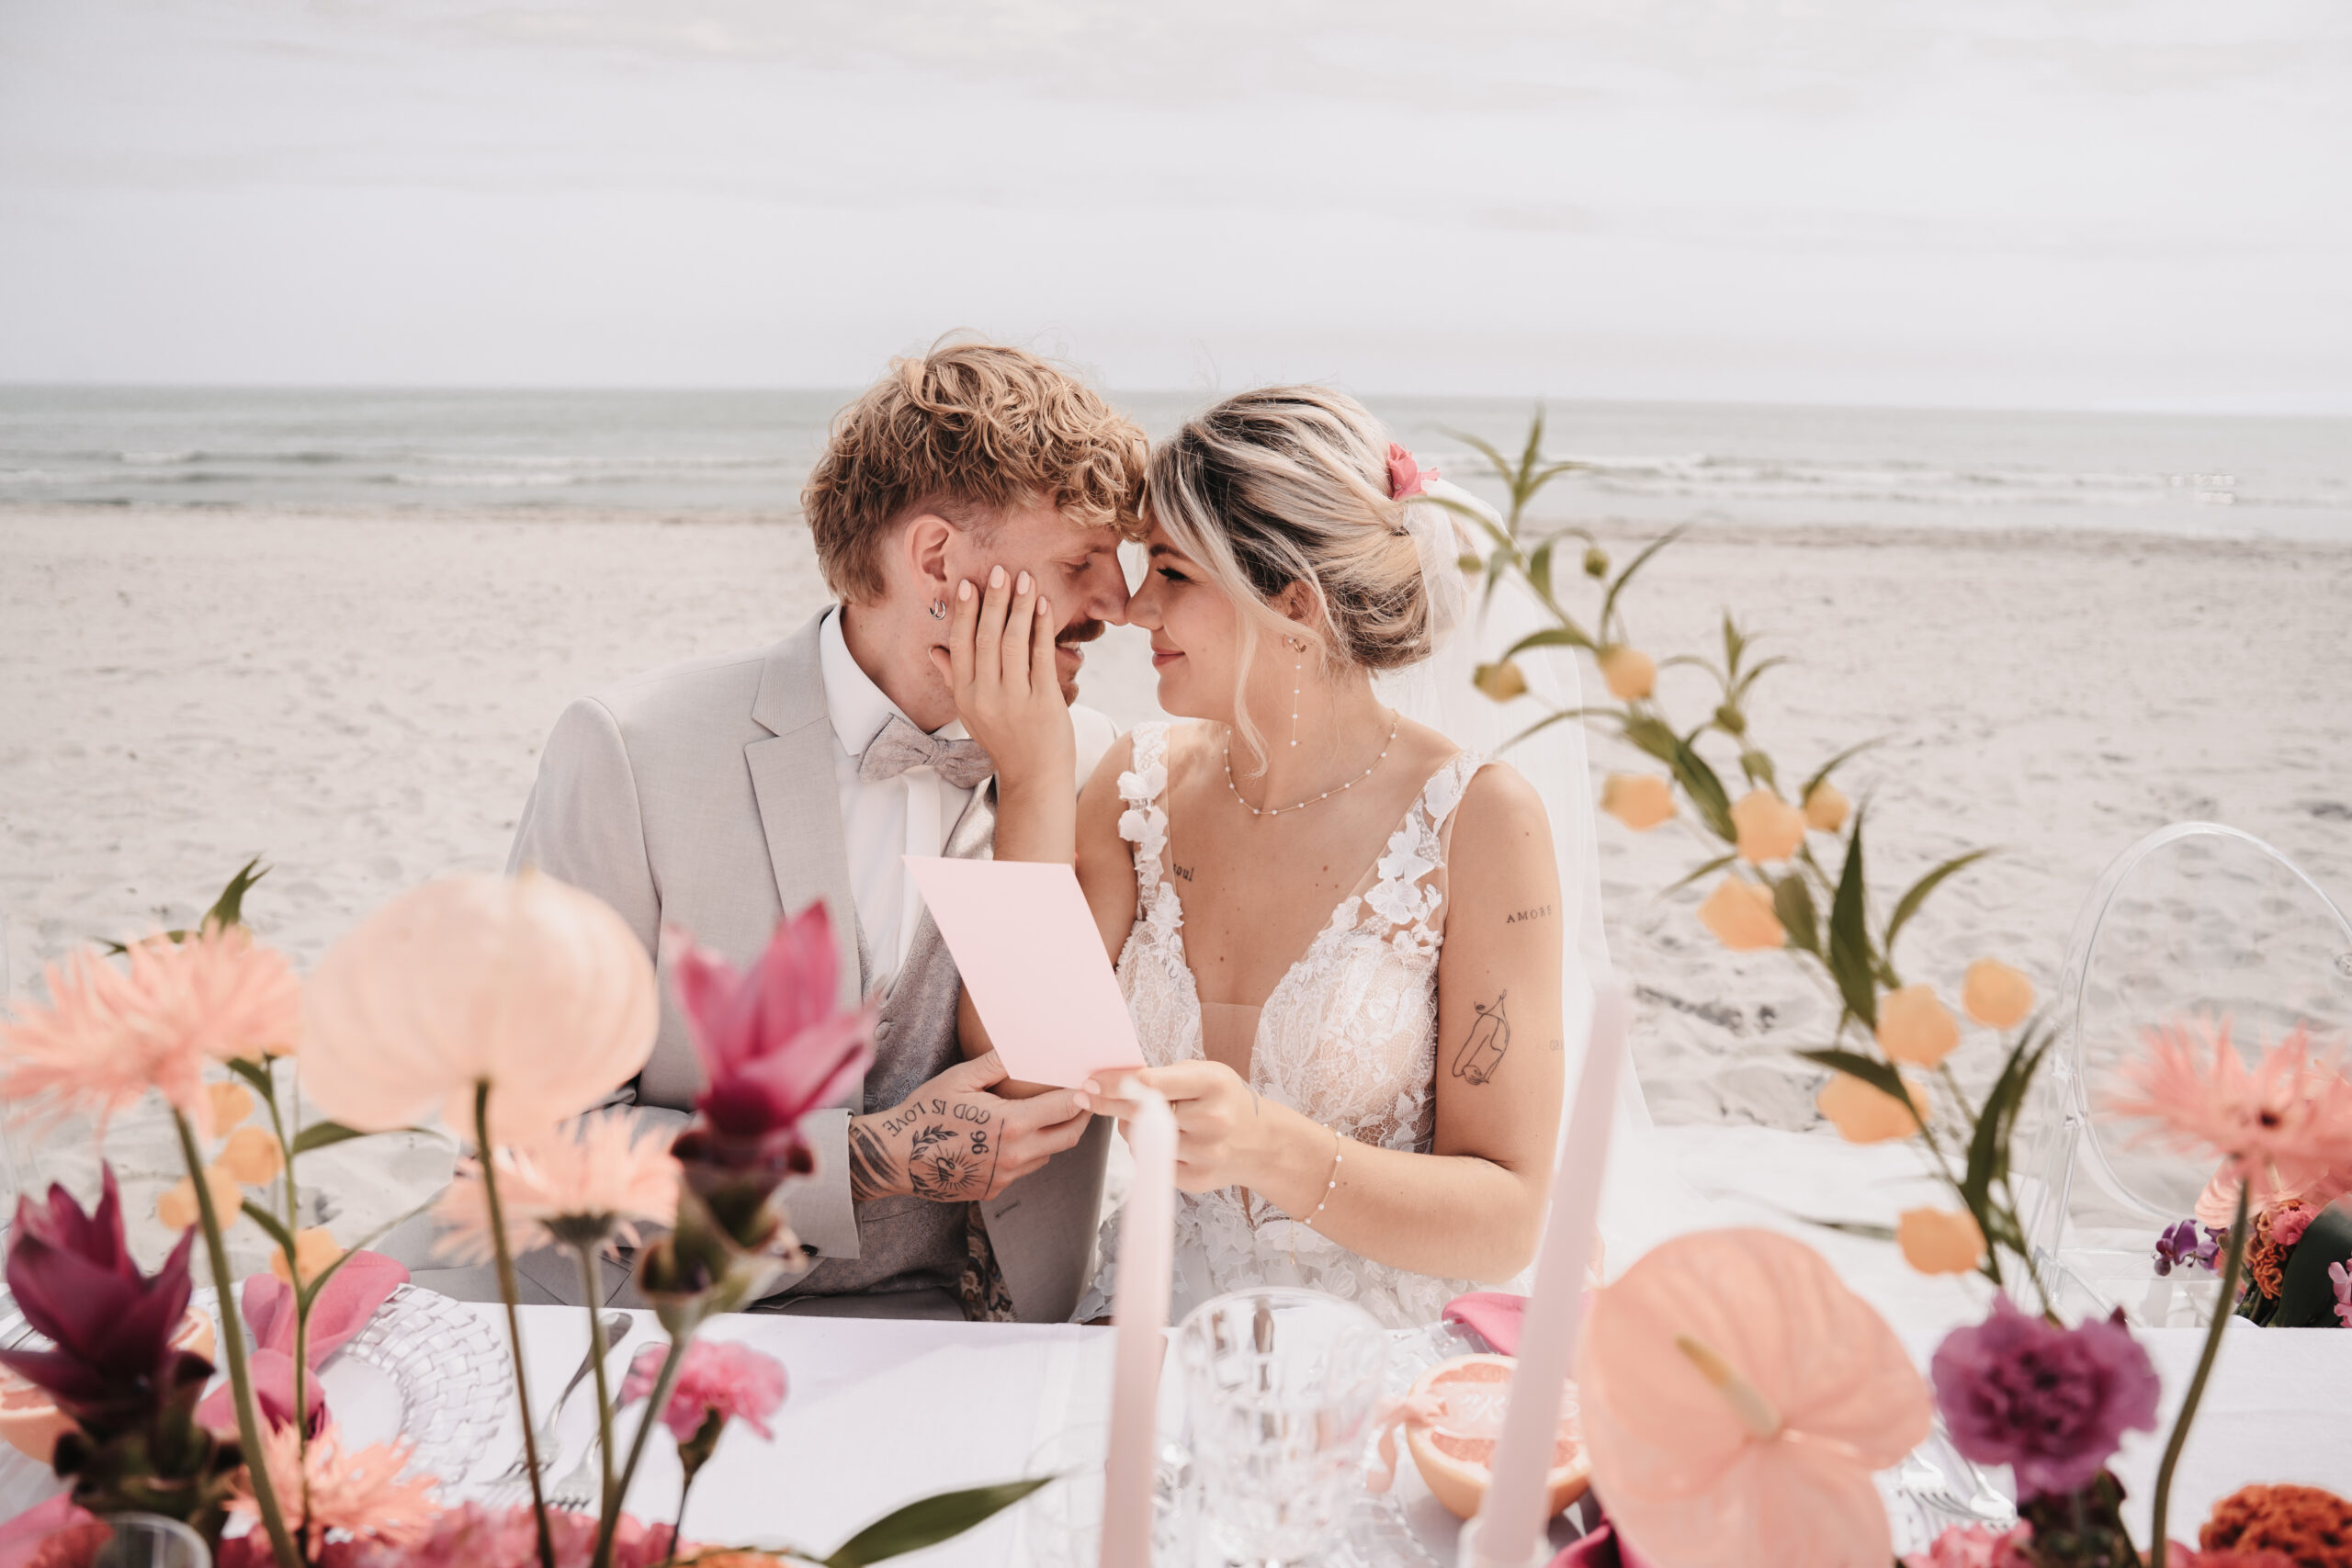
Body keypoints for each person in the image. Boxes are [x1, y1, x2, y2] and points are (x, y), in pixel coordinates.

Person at [502, 341, 1146, 1321]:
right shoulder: (631, 752)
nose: (1118, 606)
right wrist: (862, 1162)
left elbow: (1048, 1080)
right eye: (1079, 563)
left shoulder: (1092, 766)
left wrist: (1037, 776)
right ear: (936, 559)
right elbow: (537, 1142)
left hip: (994, 1335)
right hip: (685, 1321)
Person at [944, 386, 1611, 1328]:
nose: (1134, 607)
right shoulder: (1131, 788)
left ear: (1292, 605)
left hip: (1377, 1362)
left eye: (1172, 573)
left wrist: (1273, 1150)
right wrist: (1034, 772)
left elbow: (1508, 1218)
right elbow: (1018, 1070)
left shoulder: (1477, 820)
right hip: (1147, 1338)